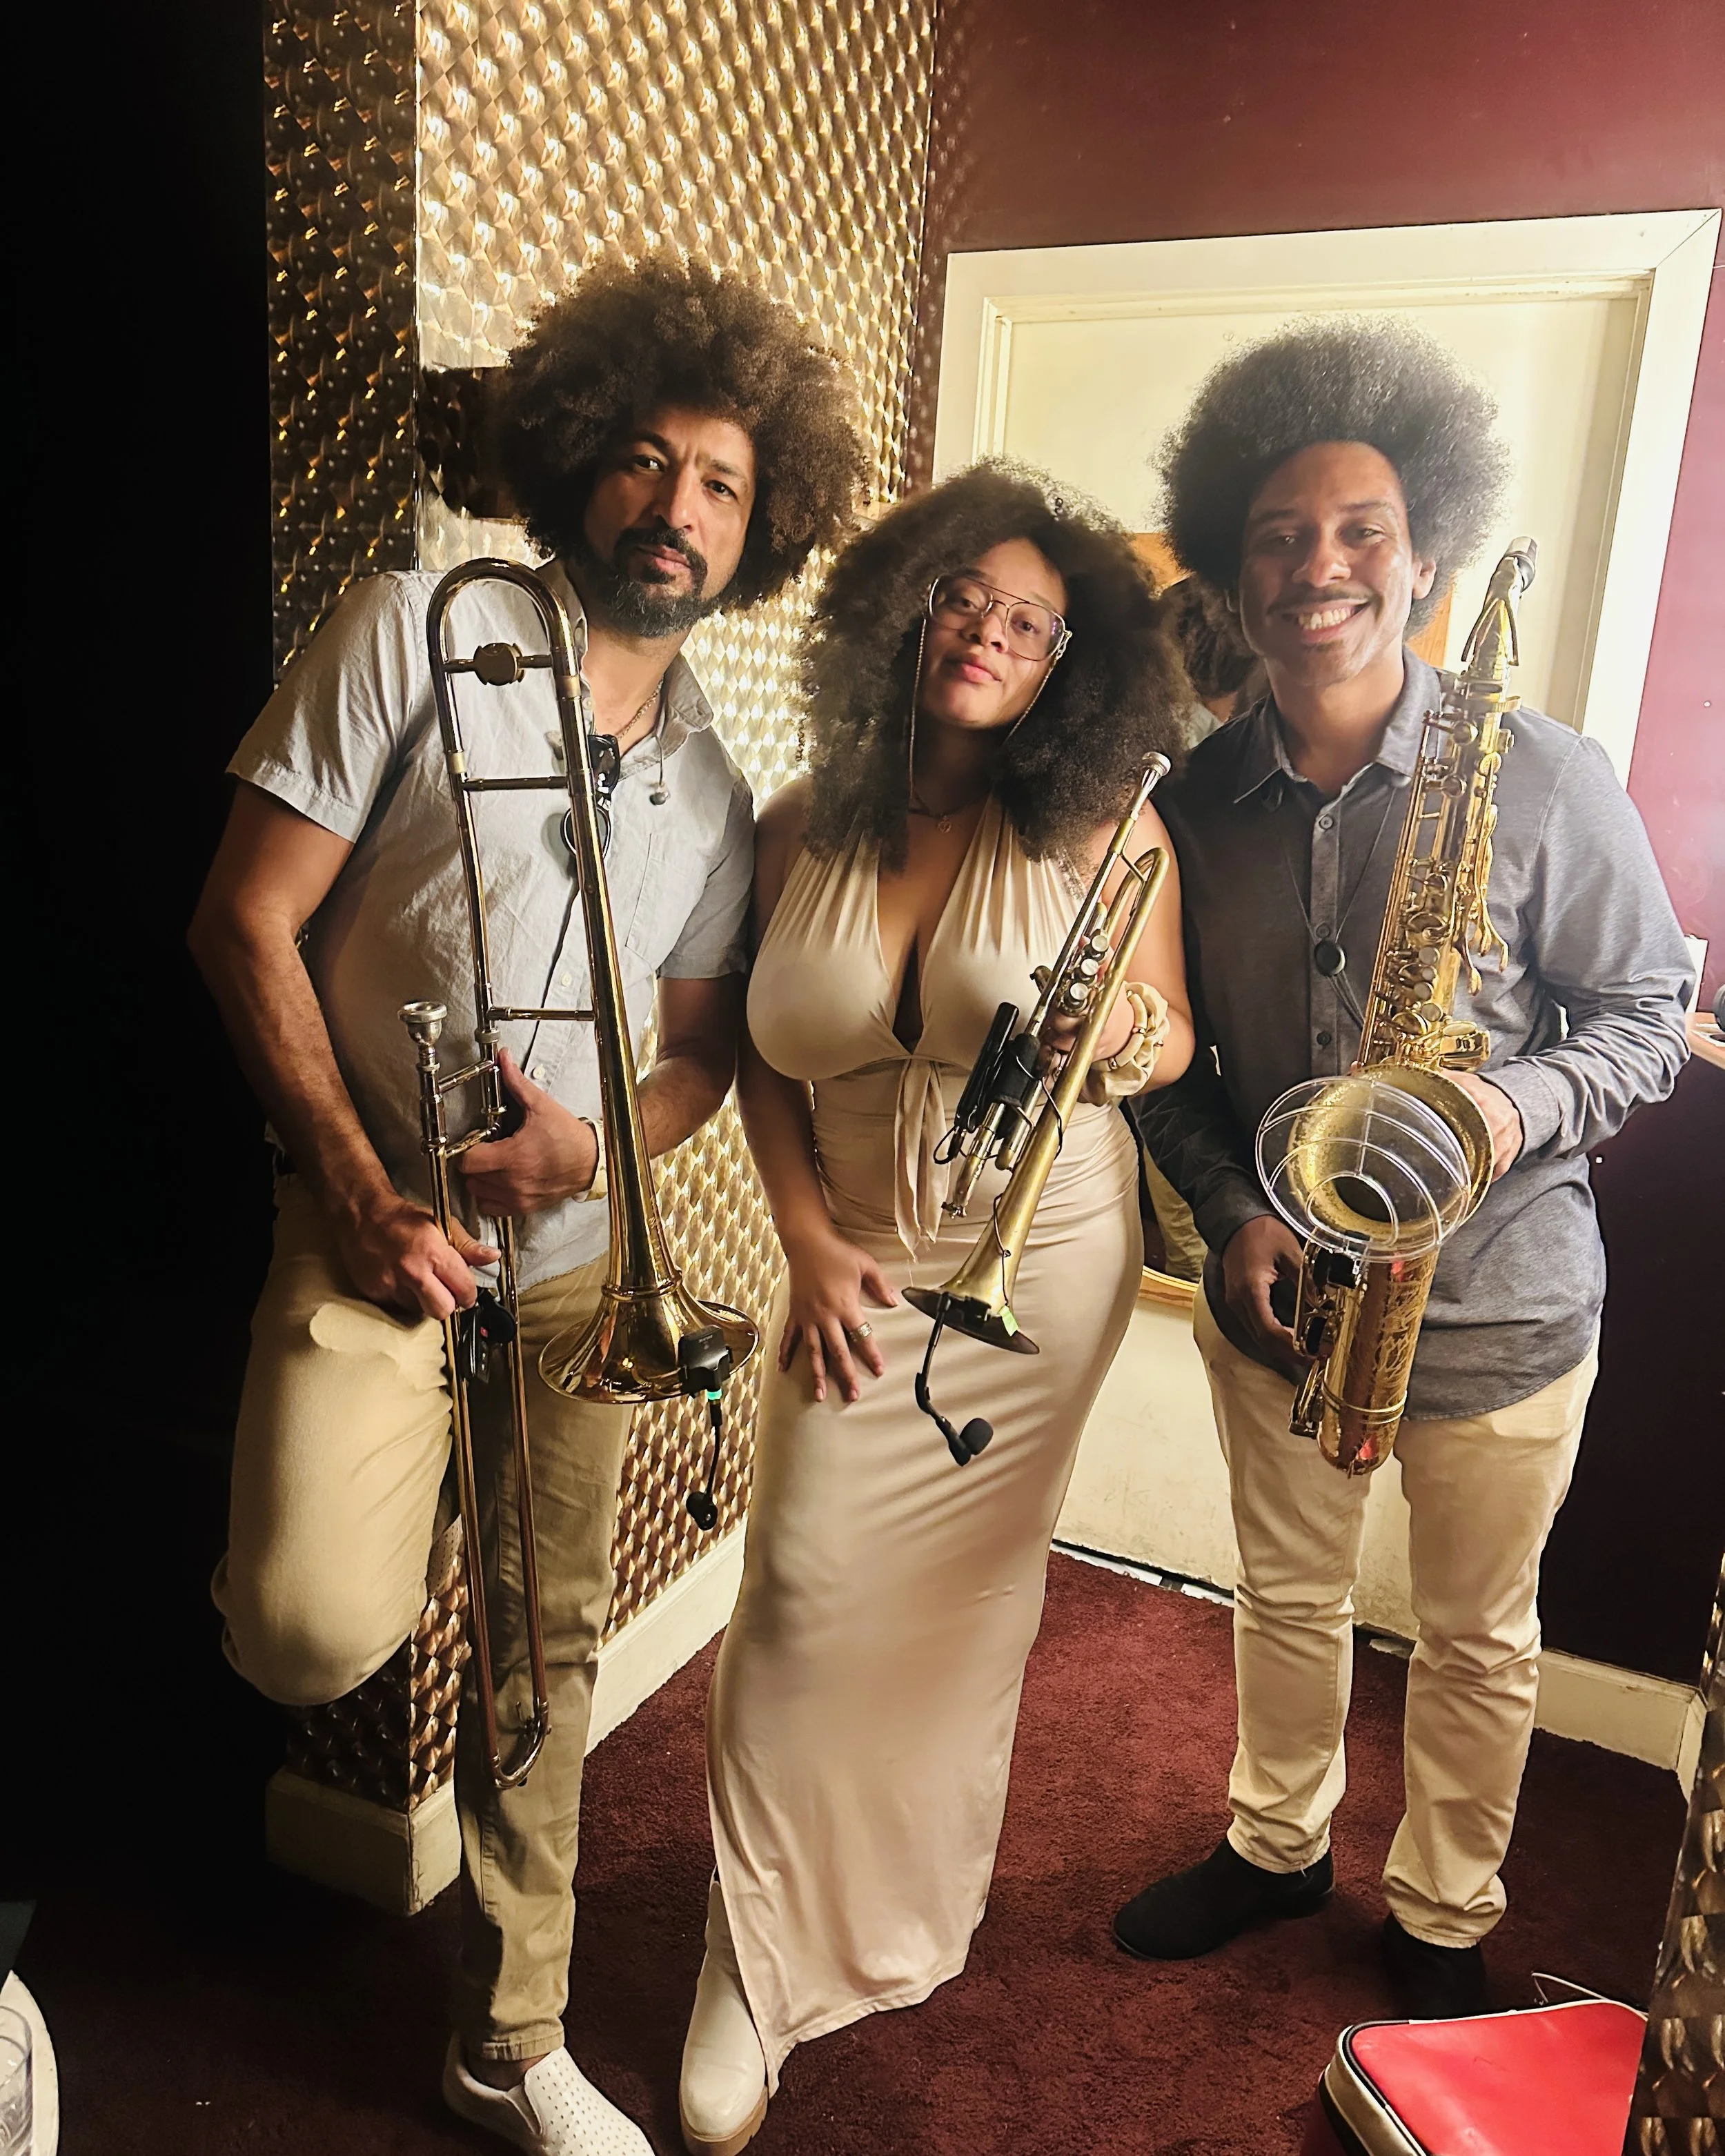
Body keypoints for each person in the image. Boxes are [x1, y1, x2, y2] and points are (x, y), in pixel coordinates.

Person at [189, 255, 865, 2156]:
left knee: (541, 1648)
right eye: (645, 460)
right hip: (376, 1231)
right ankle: (303, 1525)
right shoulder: (406, 630)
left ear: (761, 526)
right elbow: (240, 921)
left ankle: (508, 2033)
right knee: (307, 1628)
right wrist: (356, 1187)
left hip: (574, 1273)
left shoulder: (718, 791)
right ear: (573, 463)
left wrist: (601, 1150)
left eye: (722, 482)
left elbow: (697, 1058)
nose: (676, 507)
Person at [1115, 319, 1694, 2017]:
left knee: (1476, 1634)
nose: (1319, 565)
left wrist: (1501, 1110)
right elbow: (1163, 1058)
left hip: (1503, 1298)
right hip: (1283, 1297)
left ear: (1422, 554)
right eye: (1279, 534)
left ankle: (1443, 1912)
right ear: (1235, 569)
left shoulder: (1545, 774)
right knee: (1285, 1596)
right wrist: (1229, 1214)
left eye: (1358, 529)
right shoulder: (1189, 801)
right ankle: (1275, 1843)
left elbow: (1650, 1016)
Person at [676, 463, 1195, 2154]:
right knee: (797, 1593)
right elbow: (761, 1055)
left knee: (966, 1611)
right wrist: (803, 1240)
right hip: (850, 1255)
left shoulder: (1107, 827)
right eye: (962, 595)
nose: (987, 632)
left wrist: (1126, 1039)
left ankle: (901, 1903)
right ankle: (751, 1956)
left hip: (1043, 1263)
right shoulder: (794, 821)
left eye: (1030, 621)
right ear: (898, 611)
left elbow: (1169, 1033)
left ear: (1067, 665)